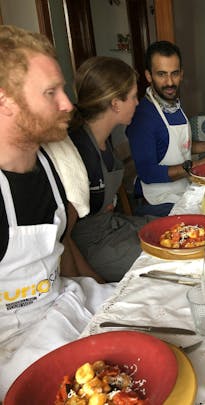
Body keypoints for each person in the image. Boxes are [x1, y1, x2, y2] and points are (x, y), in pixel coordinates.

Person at [0, 25, 114, 399]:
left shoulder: (52, 164)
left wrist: (103, 292)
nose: (68, 103)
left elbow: (60, 250)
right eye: (52, 93)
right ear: (5, 101)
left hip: (64, 301)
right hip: (14, 345)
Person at [69, 56, 154, 282]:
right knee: (164, 260)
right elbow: (64, 239)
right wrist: (95, 283)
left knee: (171, 231)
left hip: (113, 225)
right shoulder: (78, 153)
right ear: (115, 103)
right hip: (92, 247)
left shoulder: (104, 140)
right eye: (134, 97)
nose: (137, 103)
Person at [126, 40, 205, 216]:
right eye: (161, 74)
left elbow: (181, 144)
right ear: (149, 76)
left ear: (181, 74)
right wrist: (194, 166)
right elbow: (147, 173)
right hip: (159, 202)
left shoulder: (173, 105)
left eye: (174, 74)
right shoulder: (143, 117)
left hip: (183, 190)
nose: (170, 82)